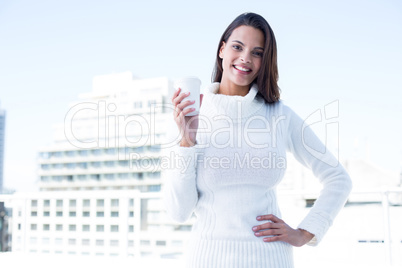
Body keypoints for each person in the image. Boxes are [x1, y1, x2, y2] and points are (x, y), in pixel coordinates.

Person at [164, 12, 352, 268]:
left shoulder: (279, 115)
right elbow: (179, 212)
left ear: (265, 61)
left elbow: (338, 179)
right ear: (222, 49)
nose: (245, 58)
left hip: (270, 260)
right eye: (238, 47)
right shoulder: (189, 114)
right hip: (208, 258)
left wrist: (305, 232)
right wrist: (186, 141)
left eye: (257, 52)